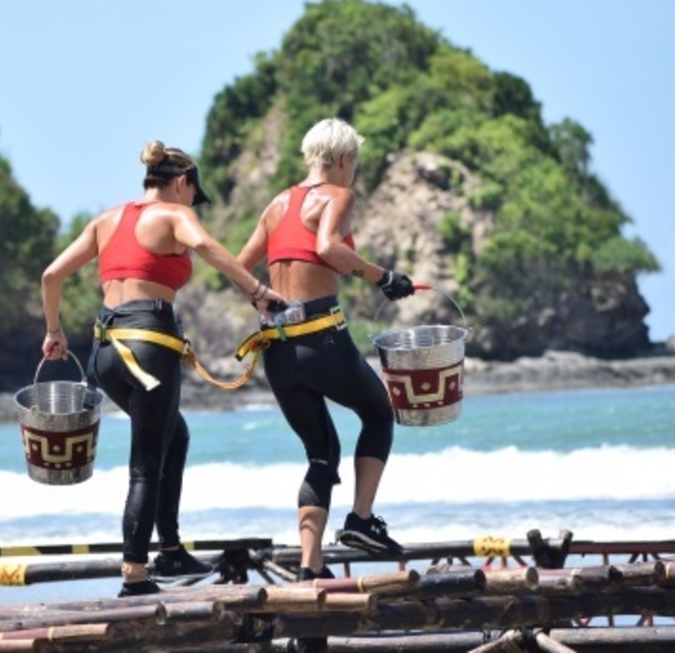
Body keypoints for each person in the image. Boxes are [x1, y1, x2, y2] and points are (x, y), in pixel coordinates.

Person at [41, 141, 288, 597]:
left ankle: (170, 550)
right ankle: (135, 573)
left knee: (174, 435)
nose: (193, 204)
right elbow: (207, 246)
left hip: (105, 353)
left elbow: (51, 276)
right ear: (181, 183)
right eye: (193, 195)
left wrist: (54, 330)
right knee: (145, 467)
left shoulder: (106, 220)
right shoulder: (175, 215)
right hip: (148, 349)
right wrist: (257, 292)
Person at [236, 117, 416, 582]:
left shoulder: (277, 204)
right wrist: (385, 278)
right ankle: (361, 520)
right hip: (321, 340)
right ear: (342, 158)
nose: (353, 171)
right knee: (378, 412)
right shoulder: (338, 195)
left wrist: (260, 297)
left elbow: (239, 266)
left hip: (277, 350)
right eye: (354, 161)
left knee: (321, 453)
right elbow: (329, 248)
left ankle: (310, 568)